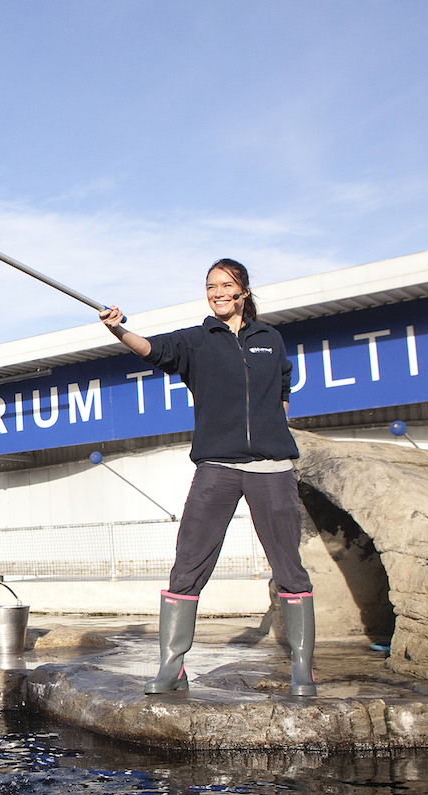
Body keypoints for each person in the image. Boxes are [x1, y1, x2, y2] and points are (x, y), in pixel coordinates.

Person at [97, 259, 316, 697]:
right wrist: (118, 329)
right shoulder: (197, 341)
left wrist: (274, 431)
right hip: (216, 467)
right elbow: (151, 349)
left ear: (244, 291)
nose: (217, 292)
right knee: (189, 562)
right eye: (210, 286)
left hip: (271, 469)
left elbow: (283, 390)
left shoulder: (269, 339)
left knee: (290, 568)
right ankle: (172, 666)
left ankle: (302, 669)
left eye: (225, 285)